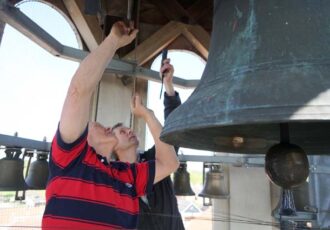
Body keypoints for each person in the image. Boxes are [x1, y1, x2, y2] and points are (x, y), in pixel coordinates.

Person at [42, 21, 179, 230]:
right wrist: (113, 40)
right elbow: (78, 92)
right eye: (96, 124)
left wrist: (149, 113)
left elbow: (171, 156)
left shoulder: (127, 176)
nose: (127, 130)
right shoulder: (69, 158)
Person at [112, 59, 185, 230]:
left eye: (129, 129)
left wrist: (168, 85)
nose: (129, 131)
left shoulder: (157, 159)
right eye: (122, 132)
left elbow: (174, 129)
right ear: (112, 145)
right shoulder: (113, 179)